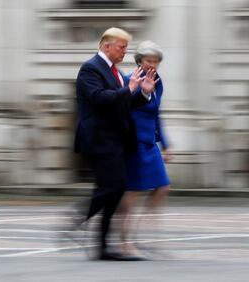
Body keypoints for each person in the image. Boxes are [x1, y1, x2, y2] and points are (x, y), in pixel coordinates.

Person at [73, 28, 159, 261]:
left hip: (115, 139)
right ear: (106, 46)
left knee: (115, 187)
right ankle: (79, 217)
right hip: (98, 139)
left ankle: (101, 247)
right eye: (121, 47)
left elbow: (125, 102)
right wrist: (129, 88)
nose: (125, 52)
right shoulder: (90, 68)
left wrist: (143, 93)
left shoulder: (117, 73)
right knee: (114, 186)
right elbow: (100, 99)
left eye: (125, 48)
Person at [118, 41, 171, 258]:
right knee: (133, 192)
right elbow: (123, 106)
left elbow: (156, 114)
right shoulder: (131, 79)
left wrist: (166, 145)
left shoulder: (158, 83)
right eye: (149, 61)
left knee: (163, 187)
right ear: (139, 61)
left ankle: (141, 233)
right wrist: (141, 92)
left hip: (149, 143)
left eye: (156, 61)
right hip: (133, 143)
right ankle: (124, 241)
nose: (153, 65)